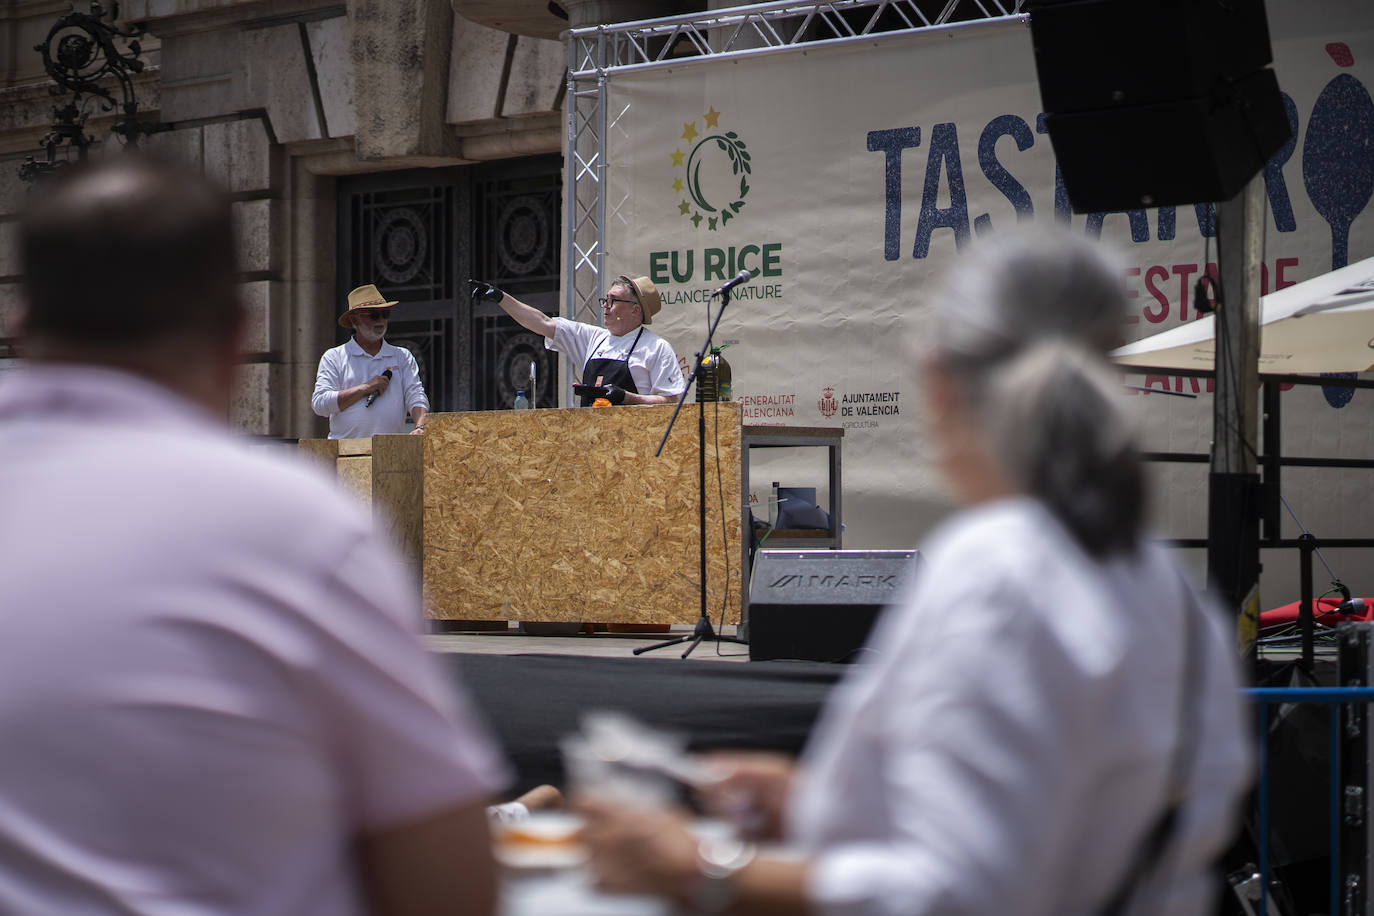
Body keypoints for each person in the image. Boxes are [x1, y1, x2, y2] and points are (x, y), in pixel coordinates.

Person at [577, 230, 1253, 915]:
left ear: (938, 384)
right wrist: (813, 805)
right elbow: (1040, 818)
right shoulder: (1171, 593)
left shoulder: (1000, 573)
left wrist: (703, 869)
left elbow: (957, 892)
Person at [0, 155, 508, 915]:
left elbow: (422, 401)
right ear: (238, 339)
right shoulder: (300, 527)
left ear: (20, 327)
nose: (379, 325)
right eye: (370, 317)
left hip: (396, 462)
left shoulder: (394, 377)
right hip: (349, 465)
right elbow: (449, 885)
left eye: (382, 317)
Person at [470, 276, 686, 406]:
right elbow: (541, 322)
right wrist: (501, 298)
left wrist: (627, 398)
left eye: (614, 301)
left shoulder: (656, 348)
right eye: (605, 300)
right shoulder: (593, 338)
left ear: (635, 309)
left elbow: (669, 403)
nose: (606, 306)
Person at [312, 284, 429, 438]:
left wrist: (421, 426)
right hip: (346, 453)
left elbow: (416, 395)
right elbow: (320, 405)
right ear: (354, 321)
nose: (380, 320)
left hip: (389, 452)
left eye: (385, 314)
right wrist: (366, 388)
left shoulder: (402, 356)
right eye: (373, 315)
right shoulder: (334, 357)